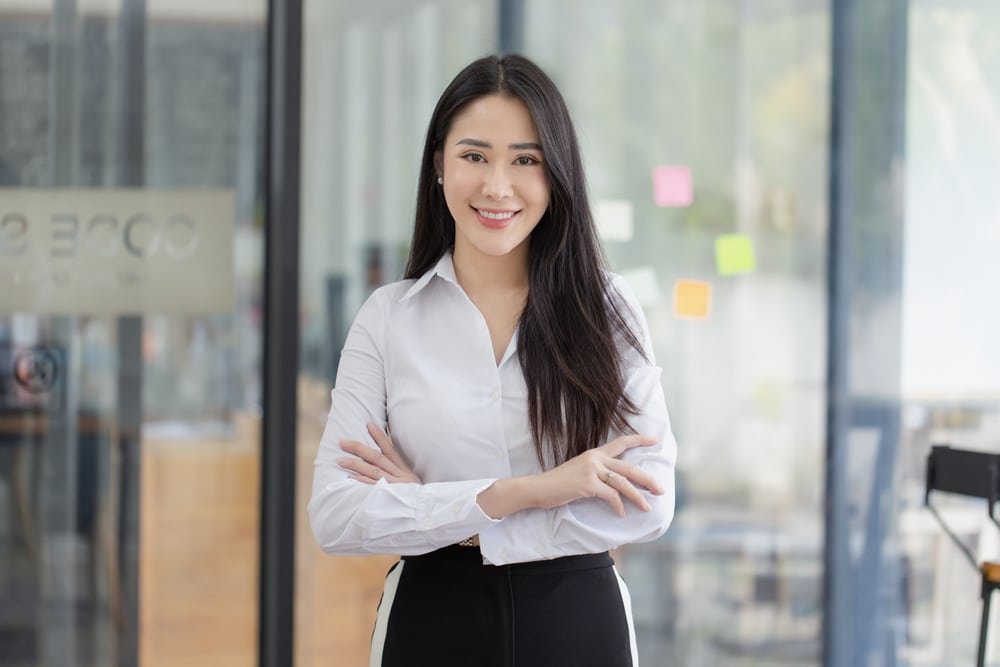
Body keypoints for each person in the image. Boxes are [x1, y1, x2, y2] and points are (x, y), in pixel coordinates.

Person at [308, 53, 677, 667]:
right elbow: (337, 515)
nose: (497, 186)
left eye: (525, 160)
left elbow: (651, 500)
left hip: (578, 627)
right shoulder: (389, 318)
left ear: (555, 175)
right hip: (432, 623)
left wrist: (450, 515)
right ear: (438, 166)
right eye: (474, 156)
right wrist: (530, 492)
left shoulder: (607, 308)